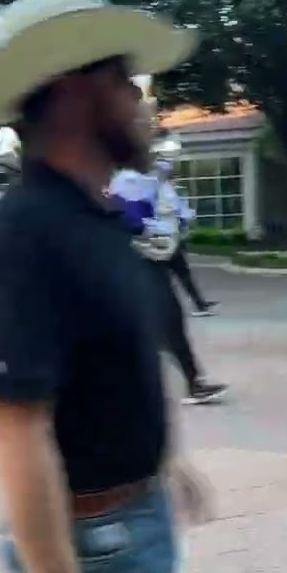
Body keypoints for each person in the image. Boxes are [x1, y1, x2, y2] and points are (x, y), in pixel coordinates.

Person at [0, 0, 208, 573]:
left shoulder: (93, 217)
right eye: (123, 79)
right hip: (98, 546)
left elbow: (106, 373)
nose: (139, 98)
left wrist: (160, 465)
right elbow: (18, 429)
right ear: (72, 89)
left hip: (129, 520)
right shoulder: (26, 232)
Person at [111, 164, 228, 406]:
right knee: (164, 321)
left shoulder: (139, 181)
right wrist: (156, 229)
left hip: (148, 259)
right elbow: (132, 221)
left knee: (164, 323)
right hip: (134, 262)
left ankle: (193, 382)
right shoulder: (120, 183)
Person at [154, 160, 217, 317]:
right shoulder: (165, 191)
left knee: (169, 275)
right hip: (168, 239)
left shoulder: (156, 190)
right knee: (180, 274)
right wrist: (188, 214)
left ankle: (198, 304)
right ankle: (199, 304)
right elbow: (179, 212)